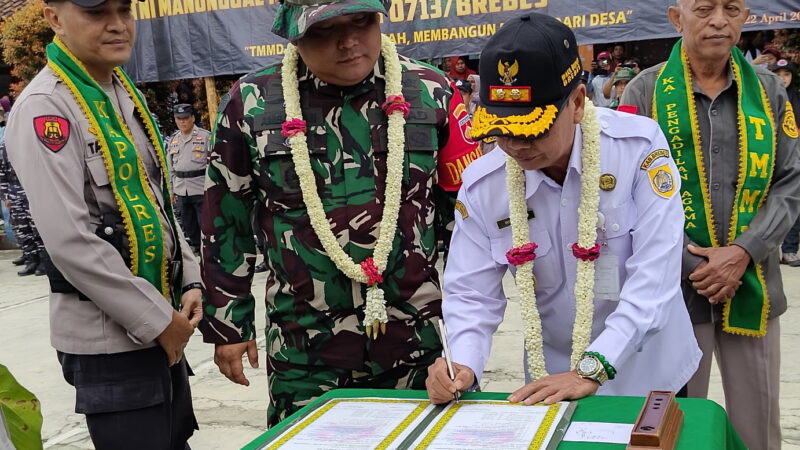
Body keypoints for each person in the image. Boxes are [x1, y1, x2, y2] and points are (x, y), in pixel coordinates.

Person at [200, 0, 480, 426]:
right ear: (294, 33)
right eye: (326, 29)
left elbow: (465, 225)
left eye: (362, 21)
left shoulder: (431, 91)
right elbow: (226, 220)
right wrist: (228, 325)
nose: (349, 41)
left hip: (418, 348)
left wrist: (468, 336)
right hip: (305, 352)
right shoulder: (252, 103)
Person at [425, 12, 700, 407]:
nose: (515, 145)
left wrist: (593, 367)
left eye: (531, 130)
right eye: (501, 130)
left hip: (649, 372)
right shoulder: (484, 184)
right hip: (552, 381)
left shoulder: (636, 150)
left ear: (577, 103)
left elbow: (655, 275)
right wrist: (463, 362)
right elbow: (471, 293)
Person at [4, 0, 203, 447]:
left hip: (160, 321)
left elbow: (156, 201)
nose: (117, 25)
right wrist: (159, 321)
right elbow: (69, 241)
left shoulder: (121, 93)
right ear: (54, 19)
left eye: (123, 9)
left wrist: (189, 277)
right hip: (112, 340)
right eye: (96, 13)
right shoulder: (46, 107)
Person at [620, 1, 800, 448]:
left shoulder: (768, 91)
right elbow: (624, 190)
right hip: (672, 293)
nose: (719, 20)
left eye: (731, 8)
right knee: (671, 426)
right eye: (704, 8)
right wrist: (693, 263)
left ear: (745, 17)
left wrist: (744, 251)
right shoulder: (645, 91)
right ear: (676, 17)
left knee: (758, 429)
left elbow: (790, 179)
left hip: (753, 286)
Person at [167, 103, 210, 253]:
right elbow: (170, 168)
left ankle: (208, 250)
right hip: (181, 188)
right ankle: (197, 248)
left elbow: (213, 164)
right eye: (179, 119)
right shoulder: (173, 140)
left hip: (200, 187)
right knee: (188, 223)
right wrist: (171, 190)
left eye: (185, 118)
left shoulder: (205, 137)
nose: (182, 122)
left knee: (205, 222)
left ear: (192, 118)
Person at [771, 59, 800, 266]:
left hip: (795, 158)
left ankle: (789, 250)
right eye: (778, 74)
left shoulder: (797, 99)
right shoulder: (764, 97)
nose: (782, 79)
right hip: (768, 159)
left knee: (793, 203)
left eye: (786, 74)